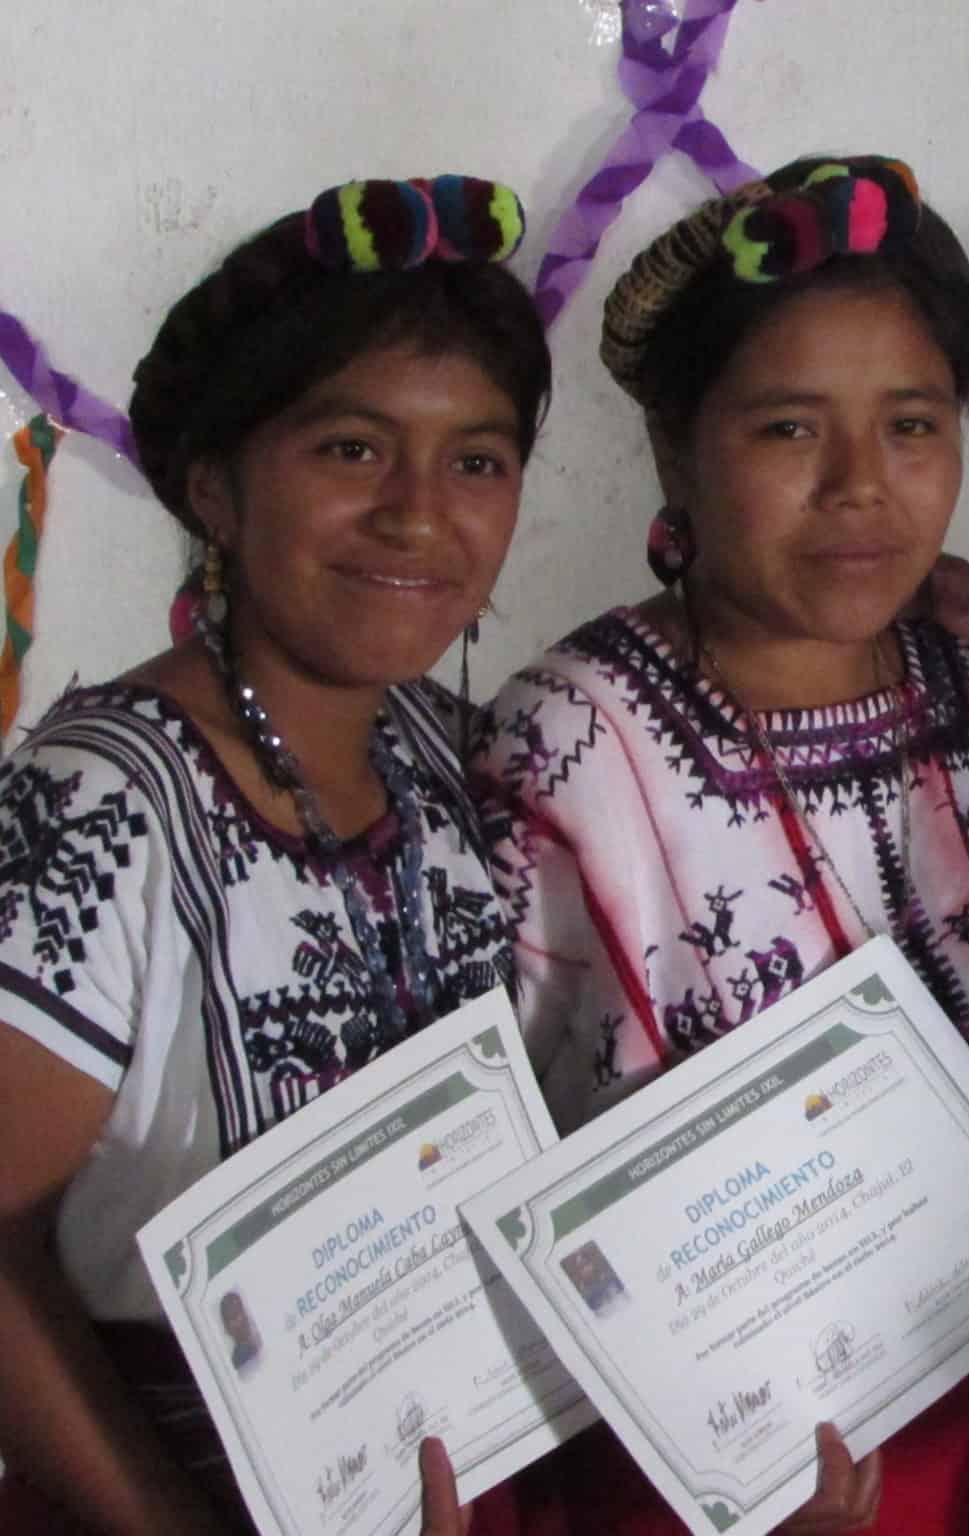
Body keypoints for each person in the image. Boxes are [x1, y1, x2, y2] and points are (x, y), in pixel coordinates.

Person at [470, 154, 969, 1533]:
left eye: (914, 426)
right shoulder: (570, 743)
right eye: (792, 431)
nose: (864, 487)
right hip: (693, 1473)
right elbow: (484, 1147)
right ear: (680, 451)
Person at [0, 175, 549, 1535]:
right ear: (215, 489)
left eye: (476, 460)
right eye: (352, 451)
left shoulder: (456, 759)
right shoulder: (98, 811)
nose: (422, 516)